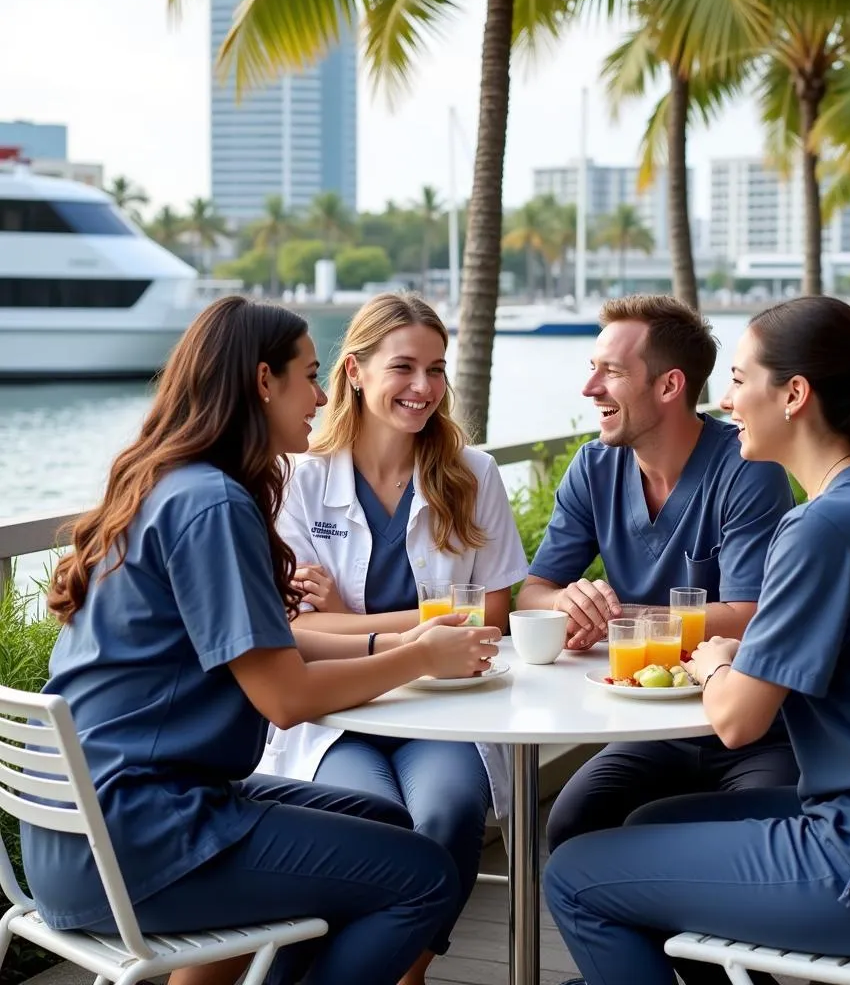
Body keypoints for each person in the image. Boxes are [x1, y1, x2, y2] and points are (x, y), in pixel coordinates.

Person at [20, 296, 502, 985]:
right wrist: (418, 656)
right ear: (262, 381)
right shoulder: (212, 505)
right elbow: (284, 698)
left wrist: (390, 648)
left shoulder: (170, 485)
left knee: (380, 822)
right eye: (308, 374)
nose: (320, 392)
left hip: (88, 825)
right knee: (422, 877)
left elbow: (272, 647)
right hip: (139, 837)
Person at [544, 296, 850, 985]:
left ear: (793, 394)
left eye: (737, 378)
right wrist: (733, 658)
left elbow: (736, 721)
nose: (725, 400)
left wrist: (714, 662)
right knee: (648, 822)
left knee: (574, 876)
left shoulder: (825, 528)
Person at [256, 292, 528, 985]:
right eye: (404, 367)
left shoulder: (474, 475)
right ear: (354, 371)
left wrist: (346, 614)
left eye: (436, 369)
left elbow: (490, 620)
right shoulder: (297, 479)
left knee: (449, 809)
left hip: (443, 712)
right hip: (344, 713)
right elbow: (295, 632)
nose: (424, 388)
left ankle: (408, 974)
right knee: (371, 820)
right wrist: (422, 627)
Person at [515, 294, 797, 853]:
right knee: (571, 827)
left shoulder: (747, 469)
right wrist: (570, 604)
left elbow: (747, 617)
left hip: (755, 730)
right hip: (648, 726)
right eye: (591, 368)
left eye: (611, 372)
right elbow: (535, 591)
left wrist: (618, 617)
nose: (589, 388)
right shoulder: (593, 467)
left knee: (741, 841)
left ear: (669, 386)